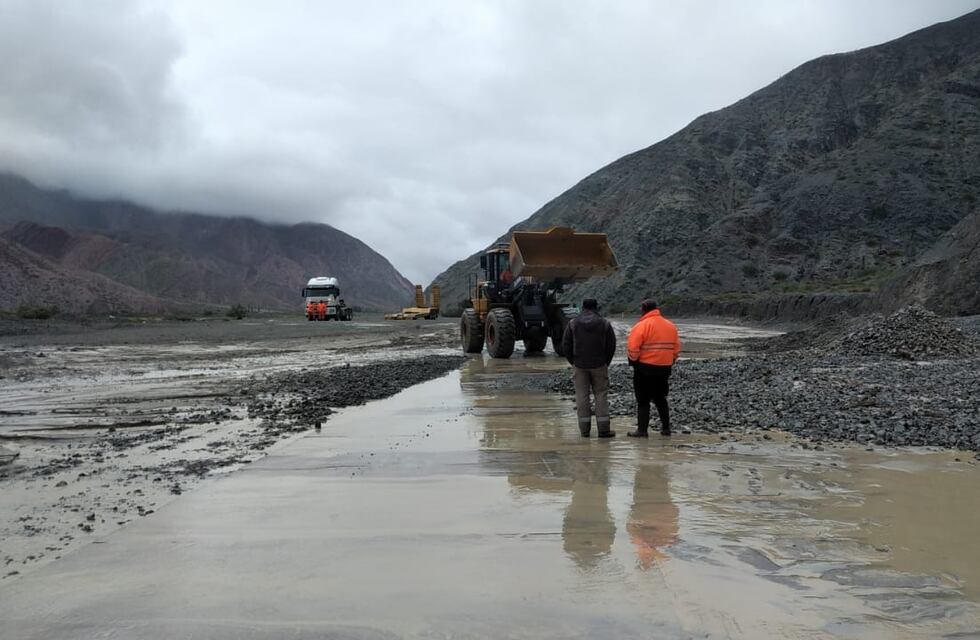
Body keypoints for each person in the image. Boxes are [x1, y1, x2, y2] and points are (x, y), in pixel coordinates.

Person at [561, 298, 617, 438]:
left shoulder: (573, 323)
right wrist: (606, 362)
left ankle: (584, 431)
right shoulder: (604, 323)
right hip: (599, 365)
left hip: (579, 365)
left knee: (581, 395)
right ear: (596, 307)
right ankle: (603, 430)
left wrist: (573, 362)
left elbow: (566, 345)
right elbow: (611, 345)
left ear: (583, 307)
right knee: (601, 395)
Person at [626, 300, 681, 437]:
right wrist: (670, 360)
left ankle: (642, 431)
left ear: (644, 309)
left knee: (643, 400)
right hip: (664, 368)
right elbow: (676, 349)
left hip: (645, 368)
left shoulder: (641, 326)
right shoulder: (671, 326)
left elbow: (633, 348)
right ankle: (666, 429)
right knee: (660, 398)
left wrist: (634, 362)